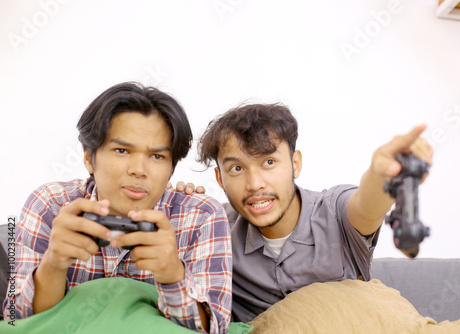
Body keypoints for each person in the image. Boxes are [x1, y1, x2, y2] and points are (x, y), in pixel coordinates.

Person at [3, 82, 232, 333]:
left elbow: (215, 329)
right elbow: (15, 320)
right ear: (89, 158)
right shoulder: (50, 204)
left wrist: (173, 276)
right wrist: (53, 265)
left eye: (157, 156)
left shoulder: (201, 217)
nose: (139, 170)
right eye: (122, 150)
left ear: (171, 169)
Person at [195, 103, 433, 323]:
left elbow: (366, 205)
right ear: (220, 179)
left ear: (295, 163)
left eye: (268, 162)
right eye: (237, 168)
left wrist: (382, 174)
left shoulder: (334, 211)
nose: (255, 183)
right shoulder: (211, 230)